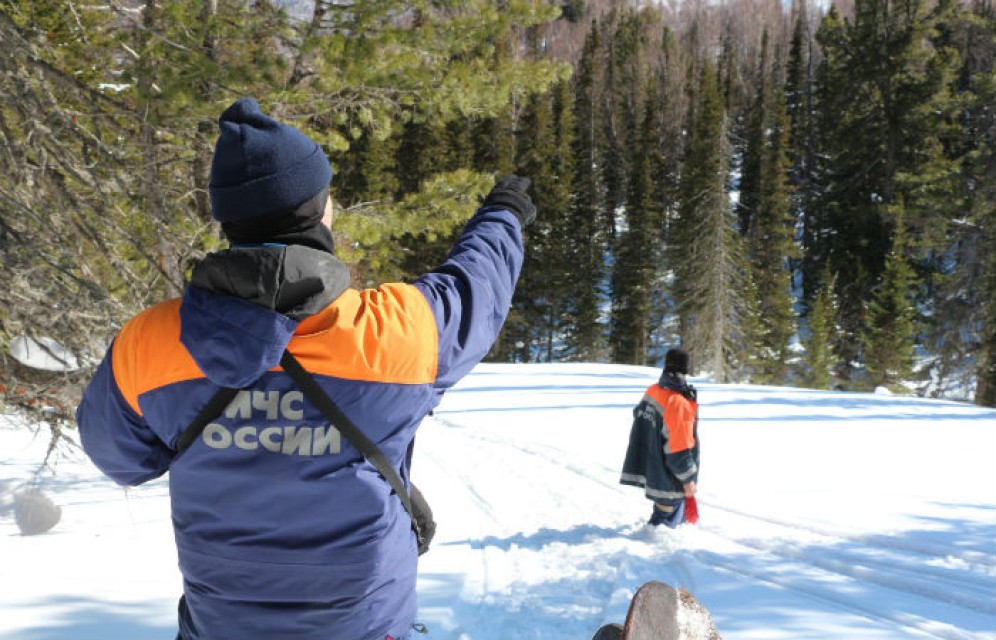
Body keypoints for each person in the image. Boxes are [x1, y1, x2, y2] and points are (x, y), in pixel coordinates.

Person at [75, 97, 534, 640]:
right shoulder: (399, 332)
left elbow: (121, 459)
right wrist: (503, 215)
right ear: (320, 210)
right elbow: (475, 287)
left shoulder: (148, 342)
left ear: (228, 220)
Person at [620, 348, 700, 528]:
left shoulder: (654, 390)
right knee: (663, 533)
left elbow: (640, 416)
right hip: (671, 482)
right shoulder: (678, 403)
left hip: (655, 472)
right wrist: (688, 481)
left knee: (661, 525)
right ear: (686, 370)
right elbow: (678, 450)